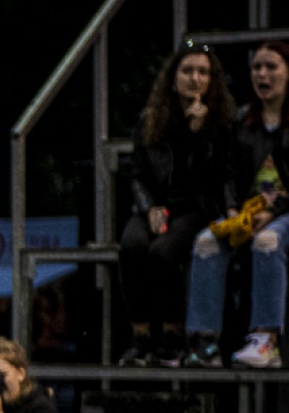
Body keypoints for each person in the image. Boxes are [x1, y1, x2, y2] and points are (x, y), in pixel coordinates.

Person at [120, 44, 238, 367]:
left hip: (197, 207)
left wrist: (200, 134)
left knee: (162, 252)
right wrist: (149, 207)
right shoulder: (150, 119)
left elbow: (219, 177)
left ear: (212, 80)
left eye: (202, 72)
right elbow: (137, 175)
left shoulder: (222, 122)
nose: (194, 78)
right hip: (158, 205)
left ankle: (172, 335)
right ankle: (141, 336)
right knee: (132, 245)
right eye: (187, 71)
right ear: (173, 78)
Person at [185, 39, 288, 370]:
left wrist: (272, 212)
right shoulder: (241, 122)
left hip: (283, 214)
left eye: (271, 67)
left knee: (267, 240)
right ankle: (205, 341)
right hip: (247, 212)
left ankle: (266, 340)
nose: (262, 74)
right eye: (257, 67)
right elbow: (227, 173)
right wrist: (232, 210)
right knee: (206, 241)